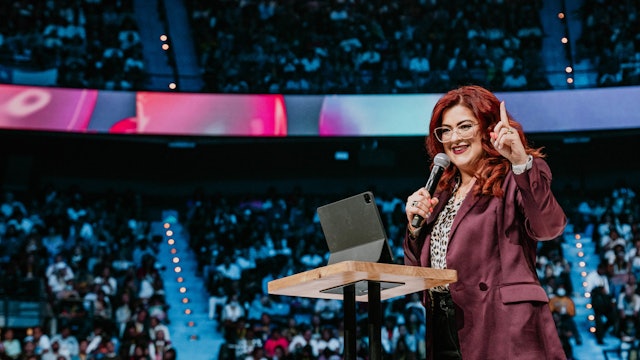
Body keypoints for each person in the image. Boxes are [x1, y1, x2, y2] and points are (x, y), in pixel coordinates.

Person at [404, 85, 567, 360]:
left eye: (464, 126)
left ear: (487, 128)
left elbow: (549, 228)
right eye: (446, 130)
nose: (454, 138)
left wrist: (520, 162)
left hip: (503, 325)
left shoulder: (517, 174)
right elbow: (415, 270)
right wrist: (414, 228)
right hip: (445, 326)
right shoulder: (440, 193)